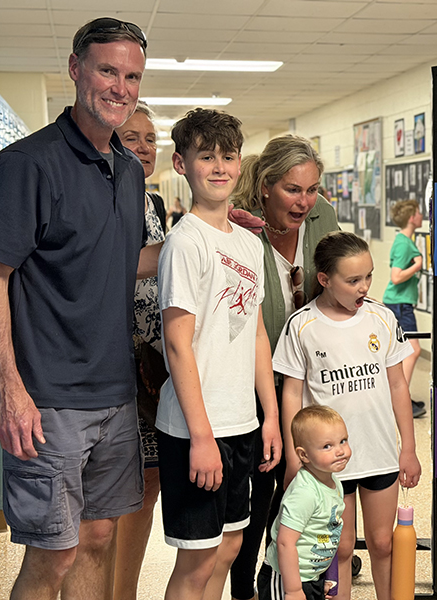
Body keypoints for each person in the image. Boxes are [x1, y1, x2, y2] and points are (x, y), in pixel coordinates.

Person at [0, 17, 148, 600]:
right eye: (107, 70)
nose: (120, 87)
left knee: (97, 537)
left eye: (131, 76)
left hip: (115, 396)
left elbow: (122, 260)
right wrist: (10, 390)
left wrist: (219, 235)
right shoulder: (29, 164)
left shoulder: (126, 168)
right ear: (75, 69)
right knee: (54, 553)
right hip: (49, 401)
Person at [156, 107, 282, 600]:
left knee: (229, 547)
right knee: (196, 560)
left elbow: (254, 335)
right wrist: (202, 437)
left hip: (241, 423)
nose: (219, 166)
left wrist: (269, 415)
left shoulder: (249, 243)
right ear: (182, 163)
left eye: (228, 156)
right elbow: (176, 343)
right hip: (196, 428)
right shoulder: (185, 243)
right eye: (206, 156)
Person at [274, 231, 422, 600]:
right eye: (352, 280)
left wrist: (408, 448)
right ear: (324, 279)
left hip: (378, 452)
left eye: (368, 276)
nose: (363, 287)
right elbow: (291, 392)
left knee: (383, 544)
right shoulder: (302, 325)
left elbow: (399, 387)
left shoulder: (381, 318)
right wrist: (295, 456)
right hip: (328, 461)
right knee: (337, 551)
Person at [229, 134, 339, 600]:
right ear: (266, 187)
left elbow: (335, 278)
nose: (305, 201)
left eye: (312, 189)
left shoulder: (323, 217)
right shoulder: (239, 226)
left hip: (309, 376)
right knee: (260, 486)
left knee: (301, 485)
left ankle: (279, 575)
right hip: (255, 379)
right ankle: (242, 585)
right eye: (293, 190)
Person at [113, 100, 168, 600]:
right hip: (113, 363)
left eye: (150, 139)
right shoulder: (107, 196)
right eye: (132, 138)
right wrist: (193, 240)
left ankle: (124, 591)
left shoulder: (153, 204)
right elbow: (109, 266)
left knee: (148, 485)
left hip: (154, 364)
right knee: (111, 494)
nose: (144, 148)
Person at [258, 405, 350, 600]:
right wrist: (293, 590)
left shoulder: (334, 484)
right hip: (285, 578)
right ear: (304, 455)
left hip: (310, 576)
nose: (340, 451)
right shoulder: (305, 493)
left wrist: (327, 575)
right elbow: (285, 542)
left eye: (343, 441)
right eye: (327, 446)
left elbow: (327, 533)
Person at [382, 199, 426, 418]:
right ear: (411, 218)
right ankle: (401, 401)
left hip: (401, 304)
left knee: (406, 351)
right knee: (413, 350)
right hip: (399, 305)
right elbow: (396, 277)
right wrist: (417, 265)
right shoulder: (403, 243)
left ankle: (401, 397)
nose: (421, 216)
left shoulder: (405, 241)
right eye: (418, 212)